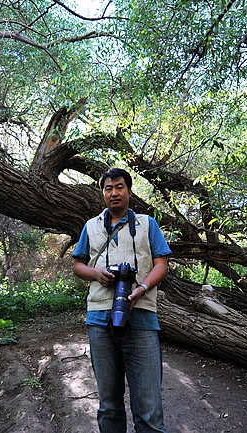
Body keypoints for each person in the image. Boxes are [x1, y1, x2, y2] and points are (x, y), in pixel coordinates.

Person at [72, 167, 171, 433]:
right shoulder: (90, 227)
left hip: (141, 316)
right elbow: (77, 265)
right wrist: (97, 274)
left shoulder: (147, 224)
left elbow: (161, 263)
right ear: (102, 192)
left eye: (119, 187)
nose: (114, 193)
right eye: (108, 188)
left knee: (149, 408)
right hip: (99, 318)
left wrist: (142, 287)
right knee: (109, 405)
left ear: (129, 191)